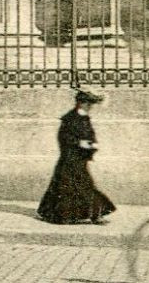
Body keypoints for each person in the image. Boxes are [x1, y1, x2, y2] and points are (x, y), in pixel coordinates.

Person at [36, 90, 116, 225]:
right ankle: (73, 216)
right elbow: (63, 138)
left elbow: (90, 134)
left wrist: (92, 143)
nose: (89, 107)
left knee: (81, 186)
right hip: (68, 159)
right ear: (80, 103)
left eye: (91, 104)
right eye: (87, 104)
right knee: (67, 188)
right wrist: (79, 143)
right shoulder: (69, 119)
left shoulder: (85, 118)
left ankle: (92, 215)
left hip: (80, 159)